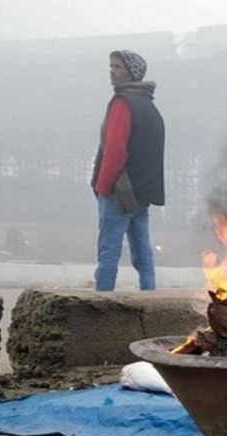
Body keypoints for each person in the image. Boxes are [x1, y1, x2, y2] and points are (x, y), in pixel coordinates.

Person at [91, 49, 165, 291]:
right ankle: (149, 295)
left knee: (109, 249)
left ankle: (102, 299)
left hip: (119, 190)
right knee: (142, 248)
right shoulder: (151, 107)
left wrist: (103, 187)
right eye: (111, 66)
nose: (112, 72)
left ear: (132, 73)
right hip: (142, 192)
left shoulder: (122, 104)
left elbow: (115, 151)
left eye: (118, 67)